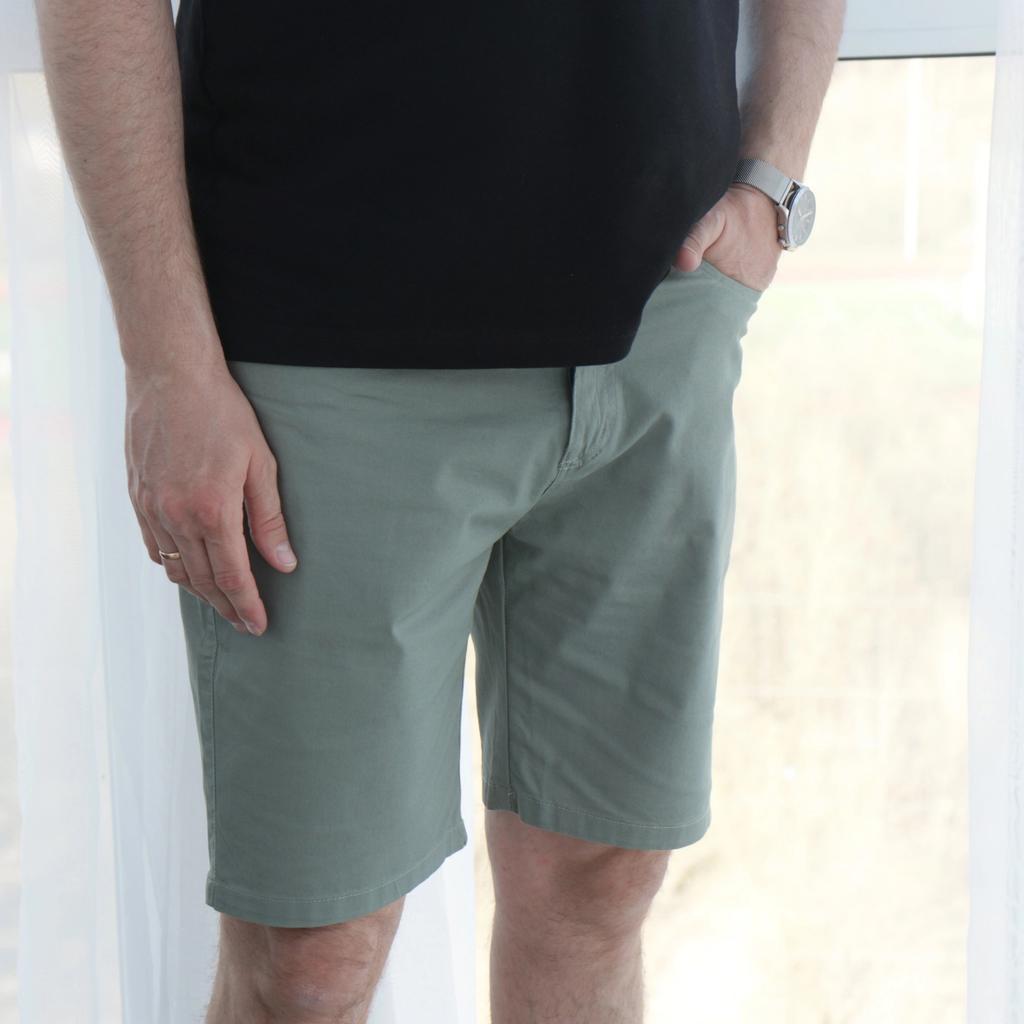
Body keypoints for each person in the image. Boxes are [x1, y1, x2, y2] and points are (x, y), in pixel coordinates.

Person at [34, 0, 846, 1019]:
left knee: (602, 877)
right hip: (317, 336)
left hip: (659, 309)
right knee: (310, 957)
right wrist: (165, 364)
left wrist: (774, 175)